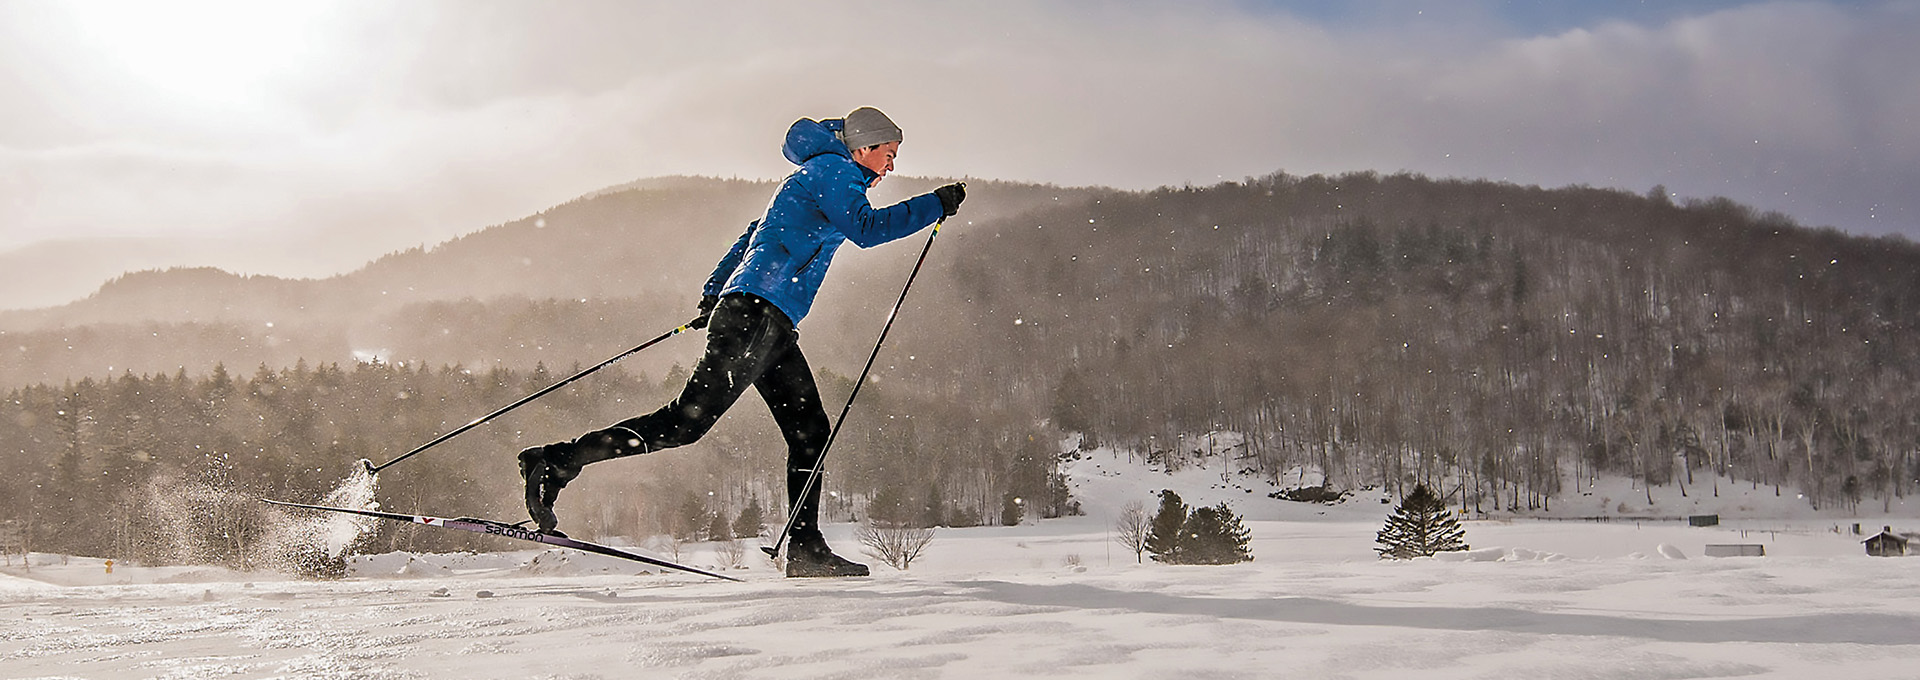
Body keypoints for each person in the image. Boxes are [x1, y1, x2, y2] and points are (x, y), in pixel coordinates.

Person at [516, 107, 965, 577]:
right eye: (888, 155)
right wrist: (934, 204)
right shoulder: (834, 170)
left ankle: (807, 548)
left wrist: (715, 293)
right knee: (685, 423)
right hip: (757, 316)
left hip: (766, 320)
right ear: (864, 147)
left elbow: (754, 235)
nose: (891, 167)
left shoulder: (819, 174)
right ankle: (556, 461)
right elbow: (867, 230)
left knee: (810, 430)